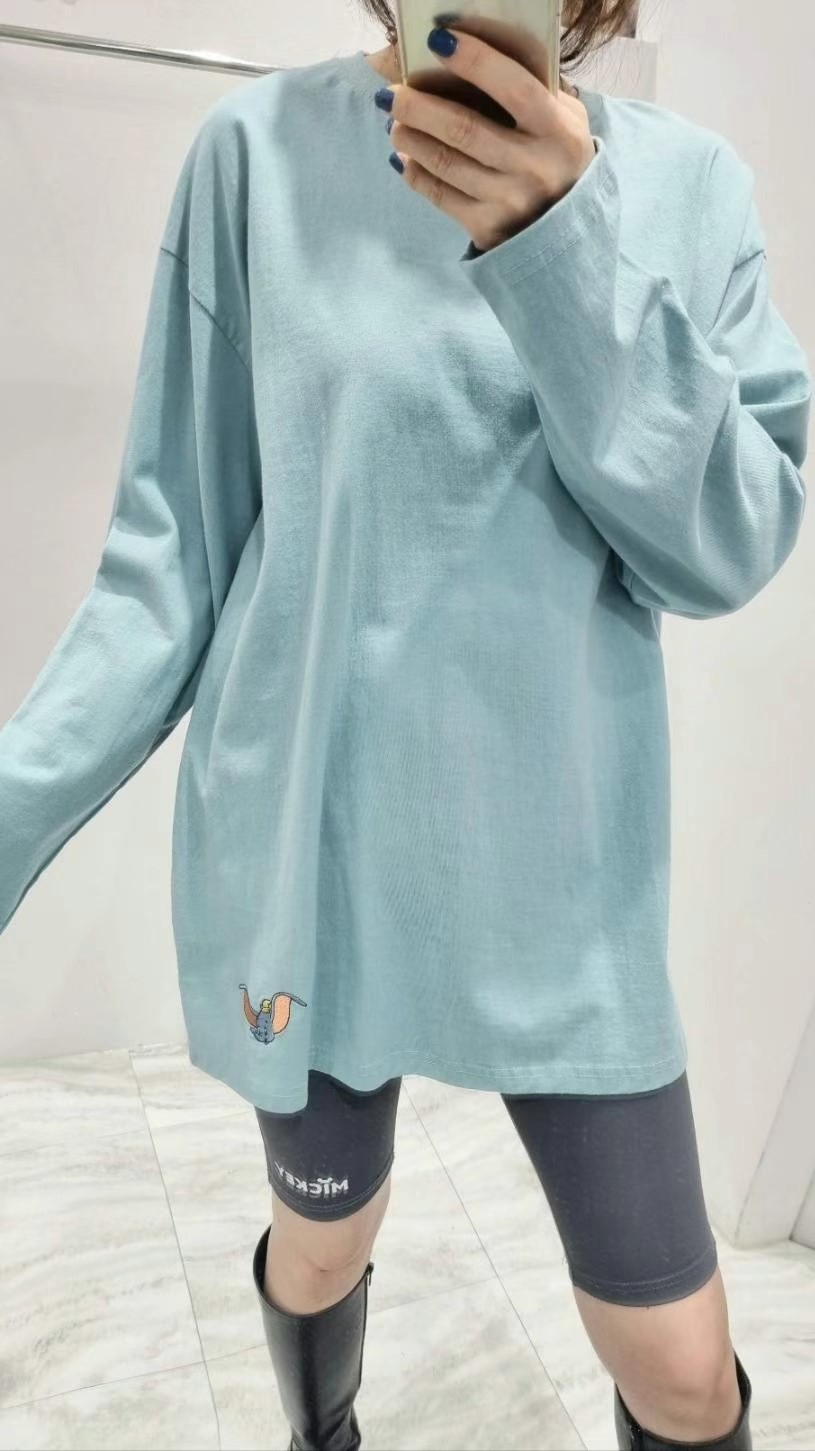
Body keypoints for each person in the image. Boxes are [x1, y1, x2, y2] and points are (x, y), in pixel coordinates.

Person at [0, 3, 810, 1448]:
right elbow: (166, 566)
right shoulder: (254, 155)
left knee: (684, 1372)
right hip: (306, 866)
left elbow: (729, 546)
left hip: (564, 887)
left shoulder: (687, 188)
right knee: (321, 1247)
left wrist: (560, 245)